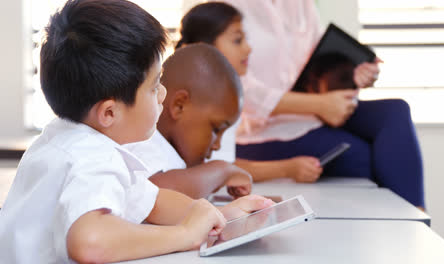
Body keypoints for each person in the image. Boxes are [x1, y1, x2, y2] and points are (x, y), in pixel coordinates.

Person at [0, 1, 273, 263]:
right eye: (154, 86)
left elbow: (152, 201)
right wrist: (185, 234)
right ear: (109, 113)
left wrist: (219, 216)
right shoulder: (92, 158)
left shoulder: (63, 138)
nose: (163, 94)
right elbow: (90, 242)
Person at [205, 0, 425, 208]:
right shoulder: (227, 9)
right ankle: (405, 226)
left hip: (316, 112)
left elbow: (321, 63)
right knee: (363, 157)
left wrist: (355, 73)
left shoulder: (301, 4)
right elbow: (239, 90)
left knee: (395, 111)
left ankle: (418, 217)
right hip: (265, 130)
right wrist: (318, 105)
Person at [176, 2, 323, 183]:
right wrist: (288, 168)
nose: (248, 49)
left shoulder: (224, 93)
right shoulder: (198, 100)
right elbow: (212, 167)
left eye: (246, 39)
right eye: (238, 41)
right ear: (203, 46)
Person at [125, 43, 253, 199]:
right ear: (179, 106)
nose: (217, 145)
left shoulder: (170, 152)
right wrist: (222, 171)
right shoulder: (143, 140)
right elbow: (157, 195)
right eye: (215, 129)